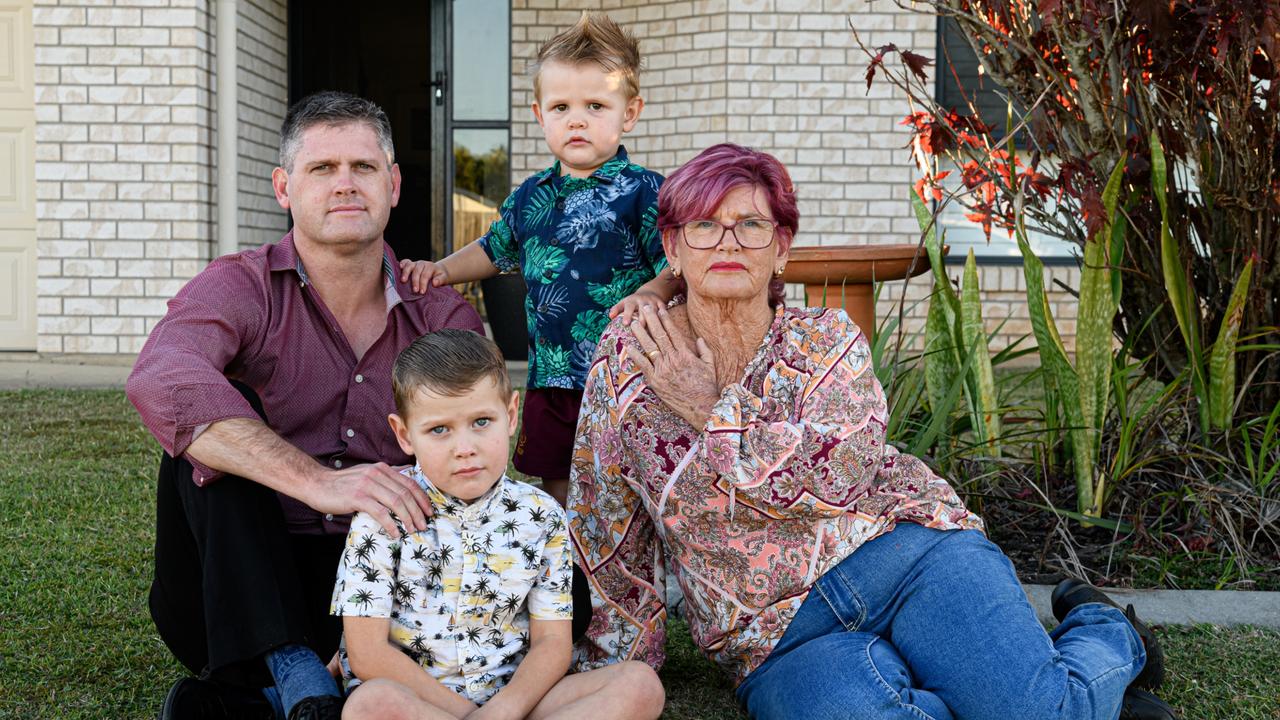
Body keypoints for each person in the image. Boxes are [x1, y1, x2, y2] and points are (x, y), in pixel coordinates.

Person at [567, 143, 1179, 720]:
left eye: (751, 225)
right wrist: (623, 665)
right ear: (672, 248)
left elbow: (837, 481)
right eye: (704, 224)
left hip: (905, 554)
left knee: (1042, 712)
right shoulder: (630, 355)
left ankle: (1105, 632)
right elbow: (607, 516)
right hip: (771, 634)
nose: (728, 240)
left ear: (781, 249)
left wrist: (709, 407)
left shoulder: (826, 343)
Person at [127, 91, 484, 720]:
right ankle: (291, 662)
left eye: (363, 168)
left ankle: (255, 702)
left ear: (394, 184)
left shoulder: (438, 314)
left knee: (561, 584)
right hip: (235, 583)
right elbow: (162, 375)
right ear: (284, 188)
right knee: (214, 421)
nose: (345, 185)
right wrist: (317, 482)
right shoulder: (241, 283)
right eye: (322, 169)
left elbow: (479, 442)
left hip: (386, 580)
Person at [400, 12, 678, 507]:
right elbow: (493, 248)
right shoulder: (532, 197)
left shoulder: (645, 192)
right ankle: (567, 573)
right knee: (560, 488)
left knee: (629, 492)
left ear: (628, 113)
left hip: (627, 376)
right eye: (561, 107)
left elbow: (675, 266)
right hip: (550, 376)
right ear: (539, 115)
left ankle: (632, 580)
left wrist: (650, 293)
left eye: (596, 106)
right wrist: (442, 270)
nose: (576, 119)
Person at [332, 329, 664, 720]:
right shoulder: (382, 513)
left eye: (481, 421)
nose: (465, 447)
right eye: (439, 429)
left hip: (513, 699)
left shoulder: (541, 515)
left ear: (510, 415)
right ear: (405, 434)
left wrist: (503, 711)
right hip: (418, 701)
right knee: (369, 706)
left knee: (640, 686)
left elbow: (552, 644)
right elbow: (368, 654)